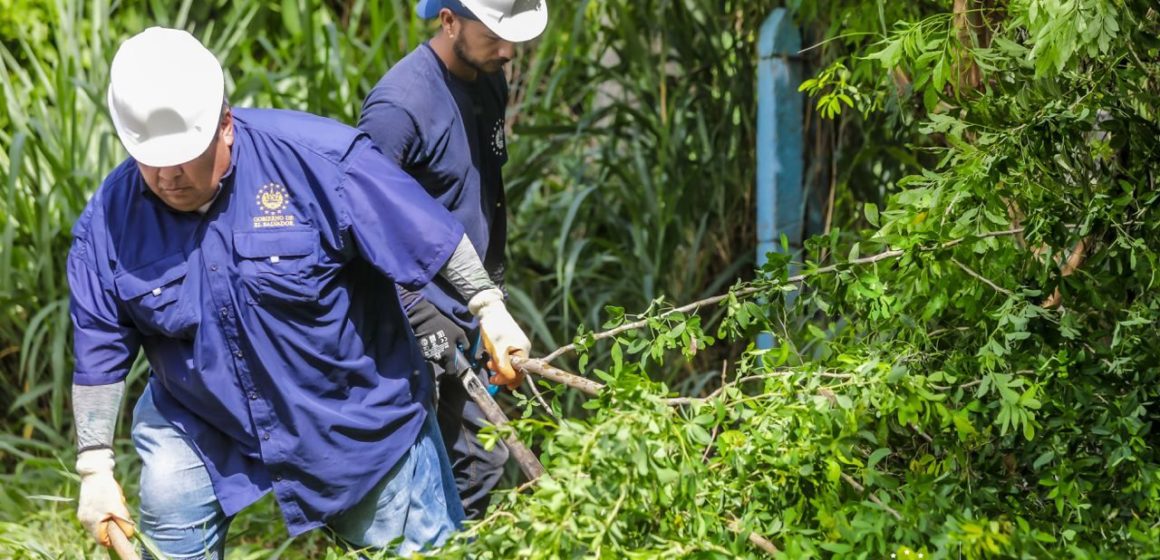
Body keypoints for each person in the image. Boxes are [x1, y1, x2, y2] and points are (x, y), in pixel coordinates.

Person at [70, 26, 531, 558]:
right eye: (150, 158)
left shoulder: (319, 161)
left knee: (425, 550)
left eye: (185, 155)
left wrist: (490, 310)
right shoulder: (108, 221)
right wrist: (94, 468)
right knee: (168, 510)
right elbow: (98, 350)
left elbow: (428, 233)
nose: (167, 175)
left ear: (224, 125)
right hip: (201, 419)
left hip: (350, 416)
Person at [357, 0, 547, 520]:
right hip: (415, 312)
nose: (508, 52)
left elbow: (484, 192)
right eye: (493, 38)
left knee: (483, 460)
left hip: (472, 304)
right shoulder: (399, 108)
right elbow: (363, 220)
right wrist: (414, 312)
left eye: (511, 40)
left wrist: (493, 299)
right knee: (428, 467)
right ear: (448, 21)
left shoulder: (489, 79)